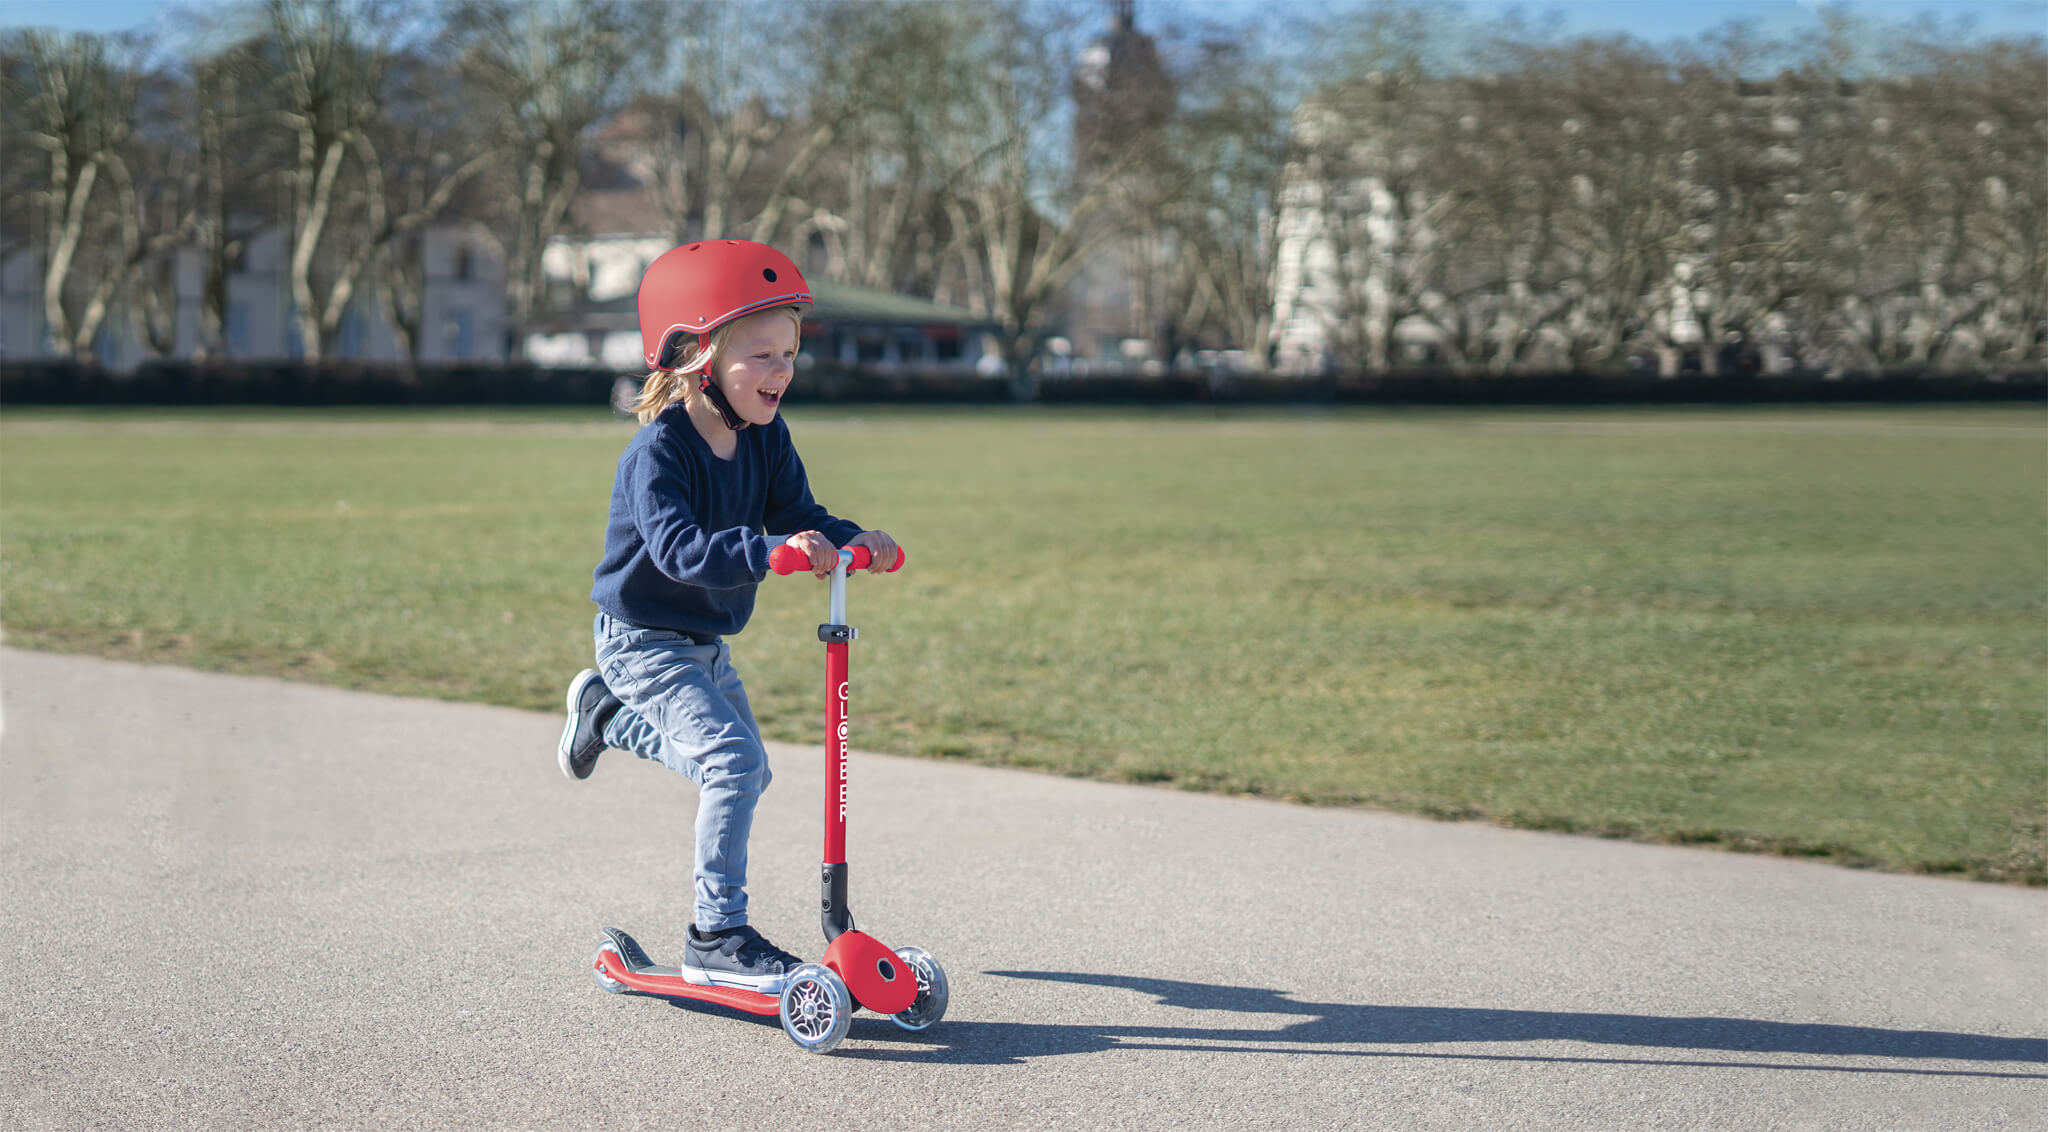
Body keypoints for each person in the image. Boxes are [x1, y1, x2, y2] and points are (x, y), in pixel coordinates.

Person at [556, 239, 899, 995]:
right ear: (695, 357)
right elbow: (679, 550)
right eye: (761, 356)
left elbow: (800, 513)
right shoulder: (659, 452)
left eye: (789, 354)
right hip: (642, 638)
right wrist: (772, 552)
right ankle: (715, 933)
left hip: (703, 639)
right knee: (734, 764)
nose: (782, 371)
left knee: (747, 767)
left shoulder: (766, 440)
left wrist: (854, 541)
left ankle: (604, 719)